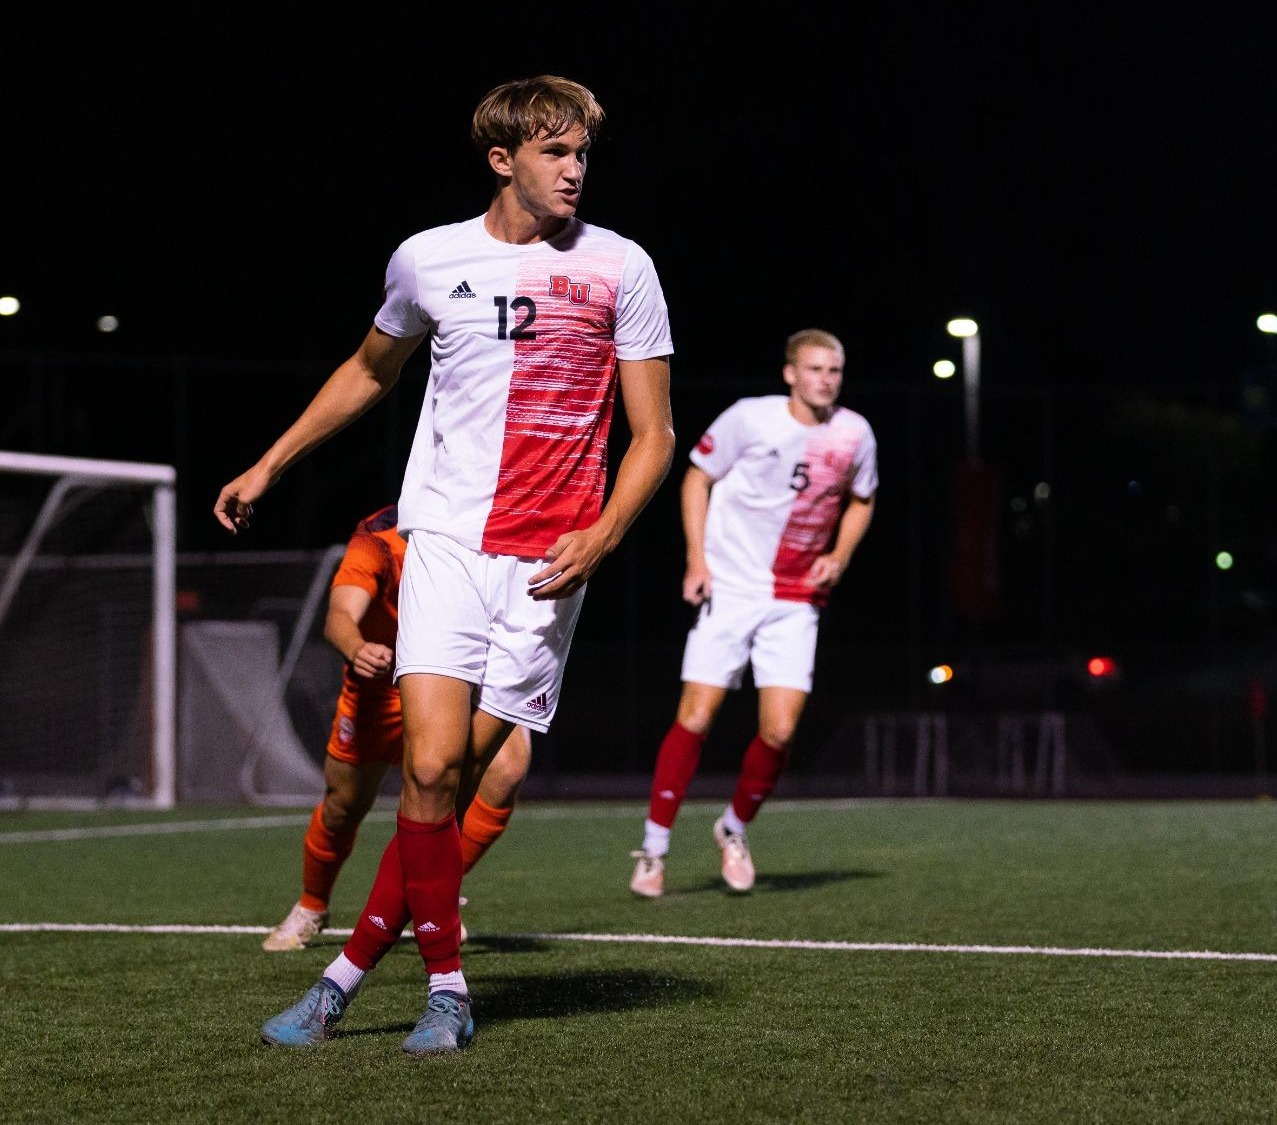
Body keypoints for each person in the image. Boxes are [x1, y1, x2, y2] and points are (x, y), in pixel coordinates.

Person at [215, 74, 675, 1057]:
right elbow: (368, 372)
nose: (575, 170)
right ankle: (446, 990)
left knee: (467, 774)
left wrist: (603, 535)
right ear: (502, 159)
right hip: (445, 547)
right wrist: (268, 461)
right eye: (555, 152)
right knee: (424, 766)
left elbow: (654, 436)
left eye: (583, 152)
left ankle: (340, 979)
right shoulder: (428, 259)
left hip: (547, 564)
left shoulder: (622, 268)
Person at [628, 328, 876, 897]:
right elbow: (696, 477)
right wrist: (697, 559)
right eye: (814, 369)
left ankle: (733, 829)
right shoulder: (750, 417)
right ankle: (654, 848)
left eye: (833, 371)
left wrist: (839, 555)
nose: (825, 380)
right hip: (733, 587)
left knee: (781, 730)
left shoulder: (855, 432)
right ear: (790, 373)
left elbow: (862, 499)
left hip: (795, 601)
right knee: (695, 717)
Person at [262, 503, 533, 953]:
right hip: (381, 687)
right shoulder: (380, 539)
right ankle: (312, 905)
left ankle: (430, 894)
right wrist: (357, 647)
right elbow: (339, 616)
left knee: (505, 770)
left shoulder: (489, 522)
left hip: (453, 680)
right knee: (343, 806)